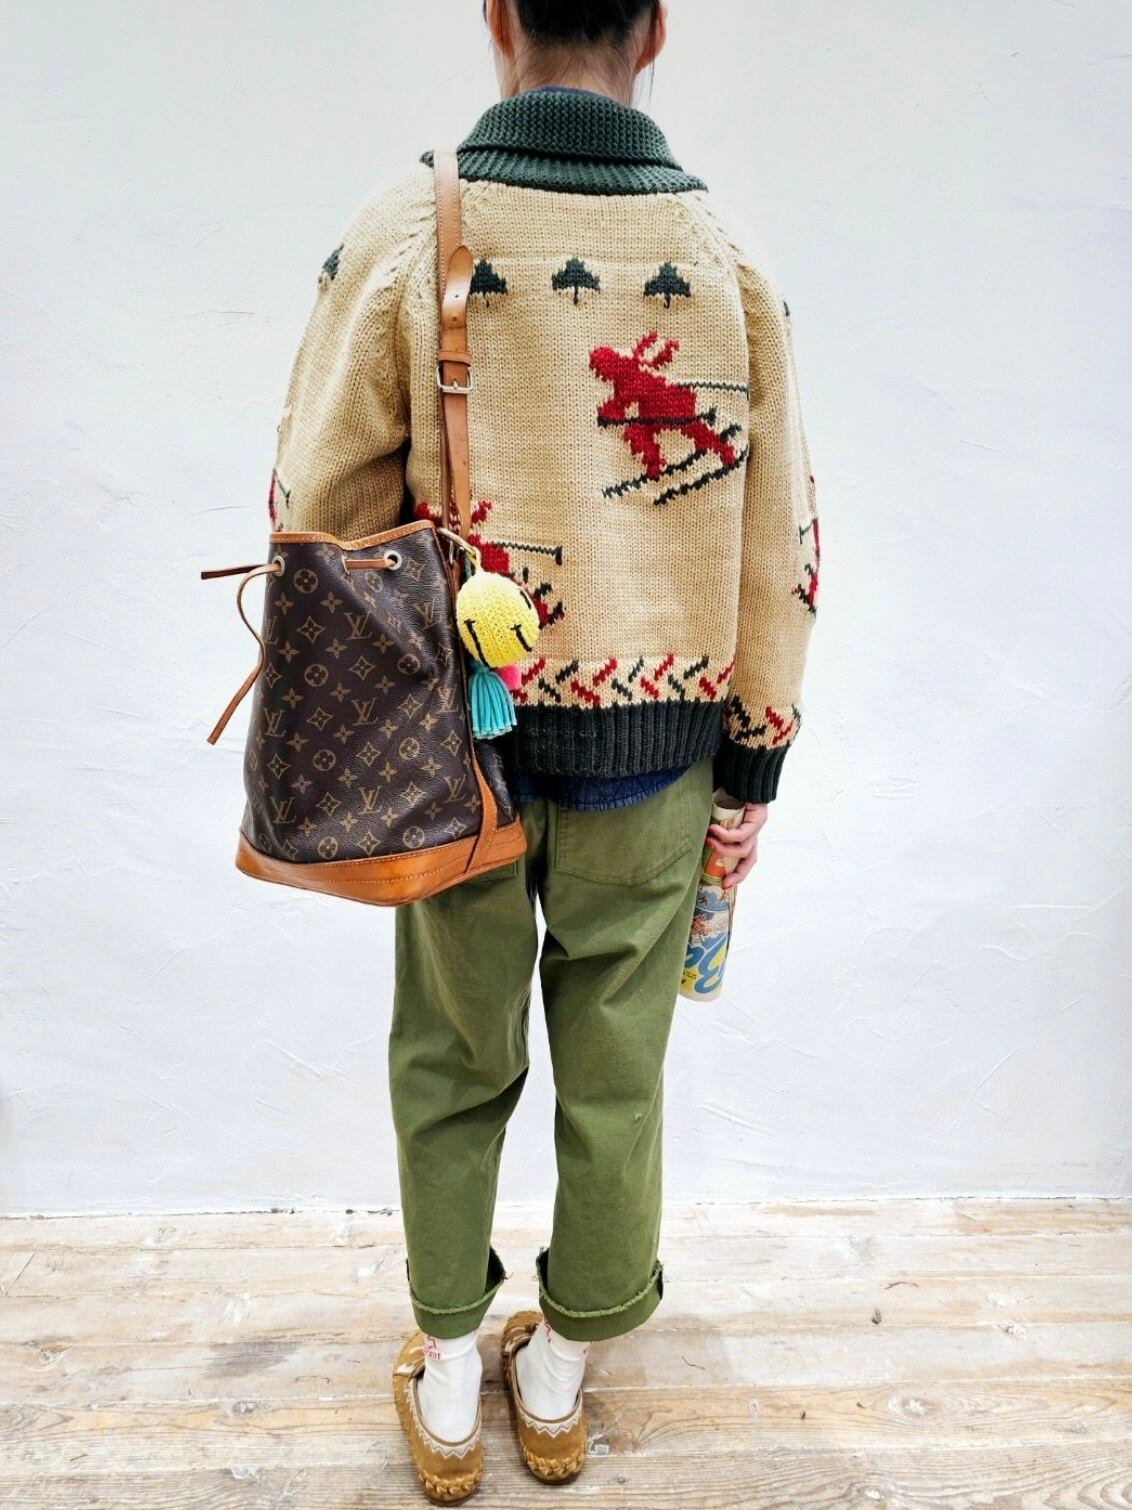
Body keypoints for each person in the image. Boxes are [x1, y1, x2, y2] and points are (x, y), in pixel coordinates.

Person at [269, 0, 819, 1498]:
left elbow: (314, 503)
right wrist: (751, 765)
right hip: (663, 757)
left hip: (458, 760)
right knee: (618, 1071)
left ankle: (452, 1384)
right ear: (659, 31)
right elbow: (780, 548)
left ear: (497, 17)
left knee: (452, 1057)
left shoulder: (406, 233)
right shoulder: (728, 262)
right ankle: (563, 1373)